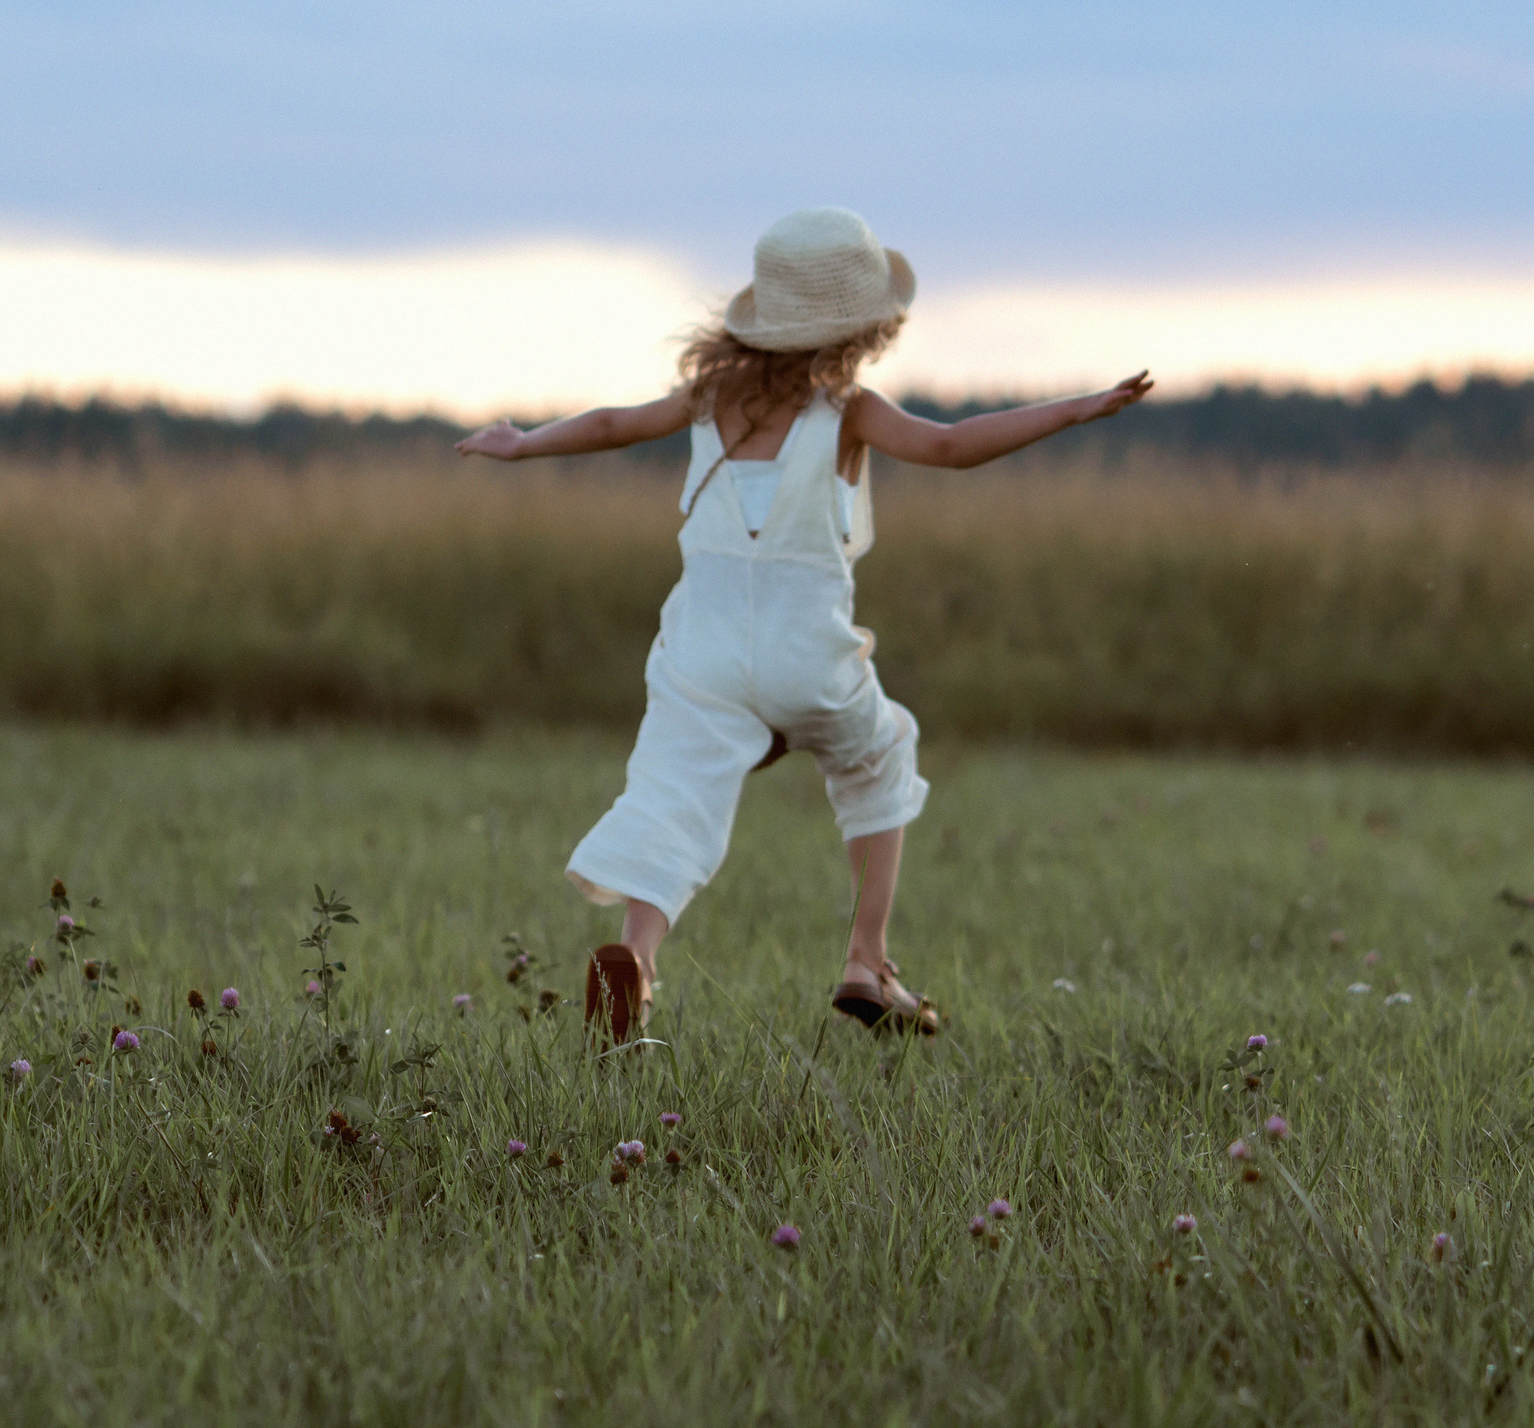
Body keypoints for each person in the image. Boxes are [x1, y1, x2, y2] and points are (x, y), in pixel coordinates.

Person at [457, 207, 1151, 1040]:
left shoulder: (712, 398)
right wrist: (1075, 410)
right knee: (880, 753)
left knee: (673, 795)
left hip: (703, 655)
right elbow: (953, 444)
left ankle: (637, 956)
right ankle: (867, 959)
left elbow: (611, 425)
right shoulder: (848, 411)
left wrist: (522, 442)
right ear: (861, 326)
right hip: (806, 655)